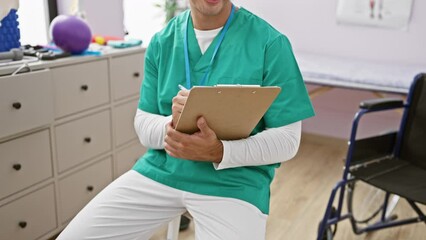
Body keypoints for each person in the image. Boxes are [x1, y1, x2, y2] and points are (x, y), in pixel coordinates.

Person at [57, 0, 314, 239]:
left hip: (233, 182)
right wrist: (173, 123)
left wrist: (220, 151)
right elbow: (143, 122)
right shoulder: (162, 42)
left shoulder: (269, 43)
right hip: (163, 172)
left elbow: (287, 140)